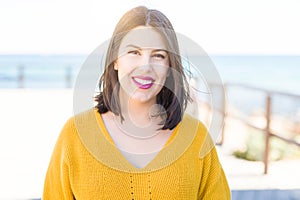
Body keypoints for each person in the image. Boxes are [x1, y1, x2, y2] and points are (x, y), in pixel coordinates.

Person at [43, 6, 231, 199]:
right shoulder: (74, 135)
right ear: (115, 60)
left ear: (169, 67)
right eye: (134, 52)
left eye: (158, 55)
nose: (145, 66)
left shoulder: (196, 138)